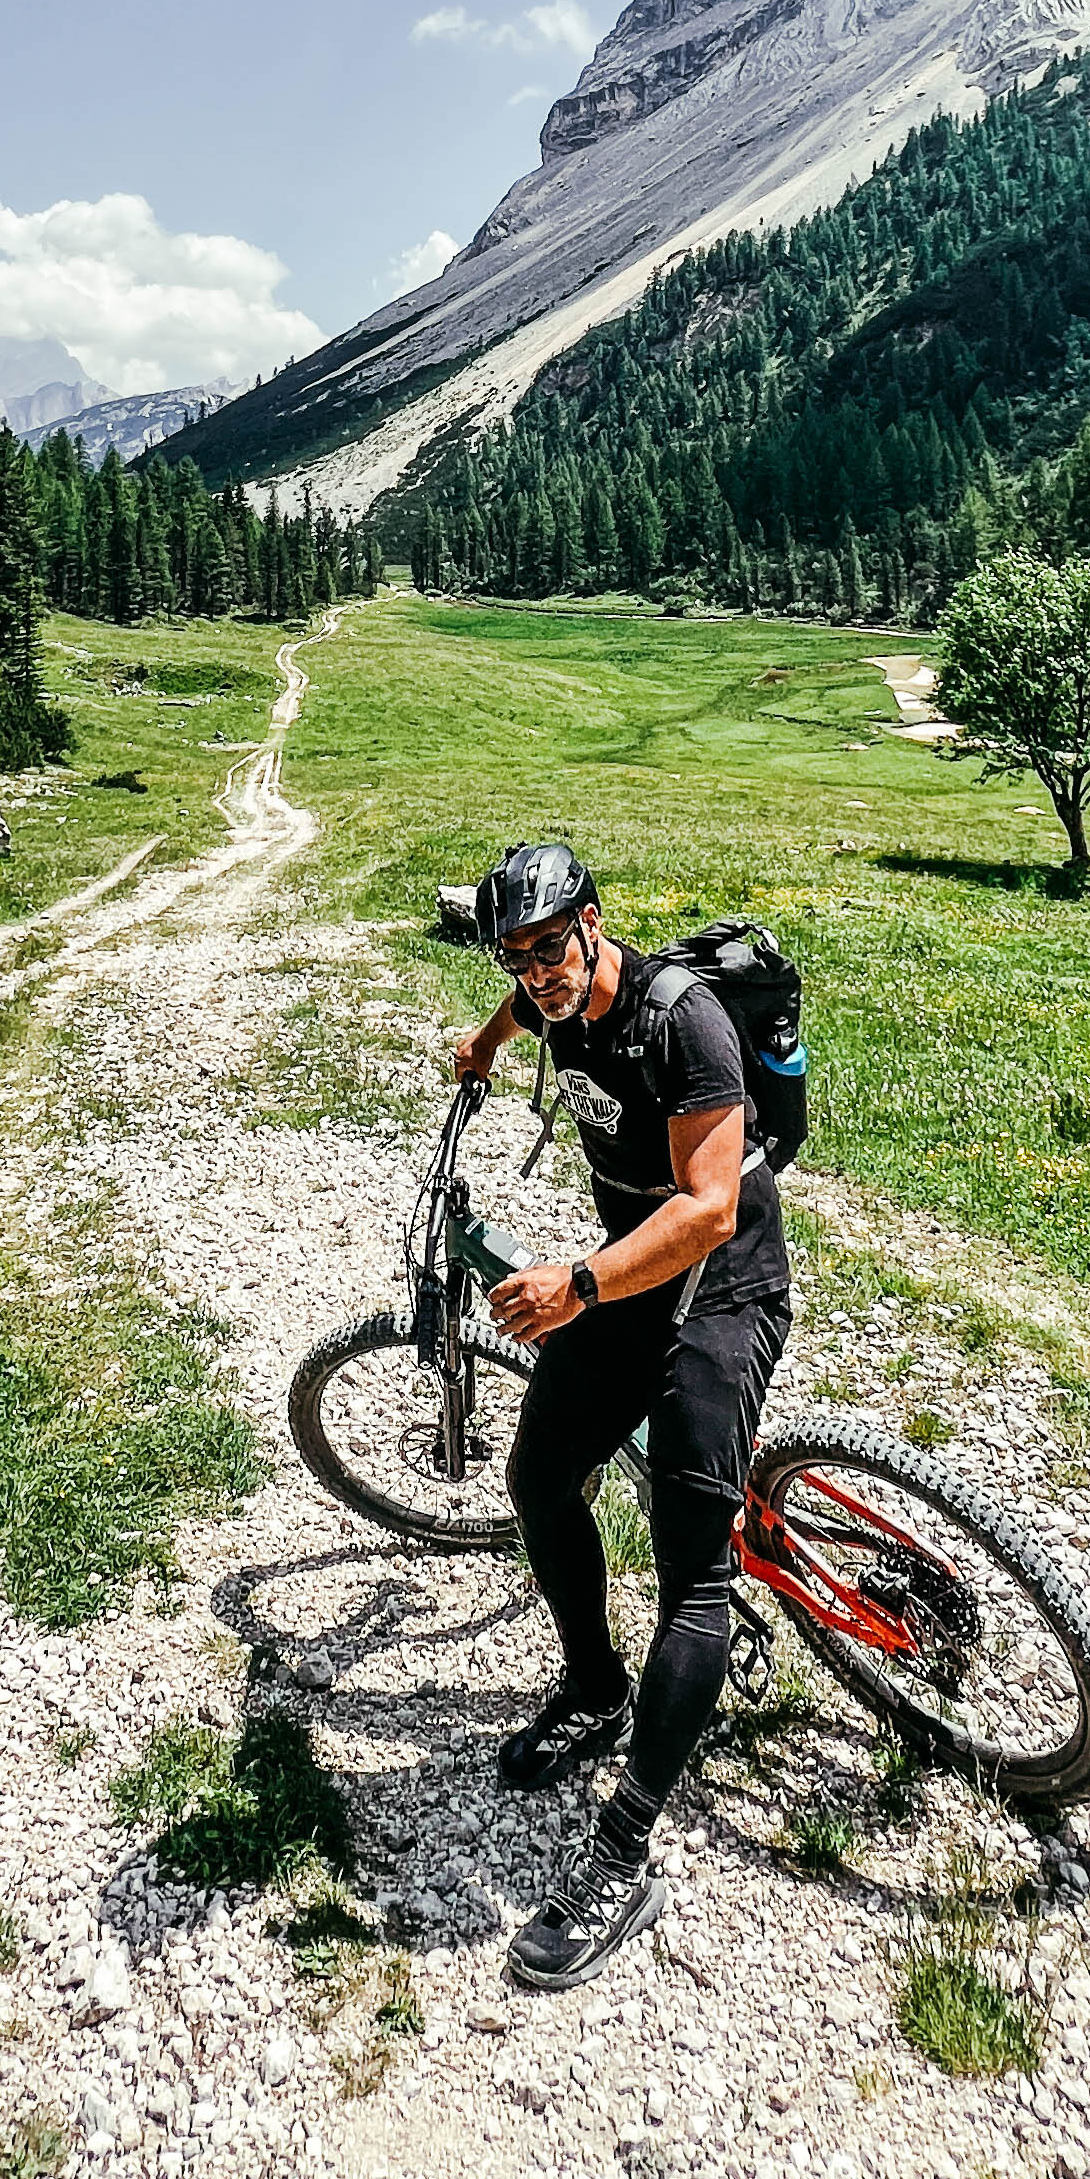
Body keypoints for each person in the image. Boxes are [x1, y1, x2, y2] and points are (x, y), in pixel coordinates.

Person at [448, 837, 793, 1990]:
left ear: (593, 925)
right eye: (514, 955)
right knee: (541, 1478)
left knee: (693, 1577)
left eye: (550, 946)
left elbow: (709, 1208)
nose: (535, 970)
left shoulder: (682, 1021)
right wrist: (482, 1048)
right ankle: (597, 1692)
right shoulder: (551, 998)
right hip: (632, 1280)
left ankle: (623, 1853)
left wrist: (580, 1285)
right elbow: (524, 1010)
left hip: (723, 1284)